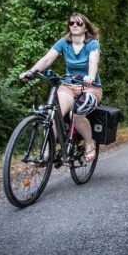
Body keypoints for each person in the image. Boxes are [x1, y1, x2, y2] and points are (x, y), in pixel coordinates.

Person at [20, 12, 103, 162]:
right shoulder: (63, 43)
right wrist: (31, 72)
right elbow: (47, 59)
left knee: (76, 114)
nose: (75, 26)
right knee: (53, 113)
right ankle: (46, 152)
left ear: (85, 27)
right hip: (68, 85)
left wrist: (90, 76)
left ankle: (89, 143)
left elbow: (93, 61)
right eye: (72, 23)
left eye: (79, 23)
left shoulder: (92, 44)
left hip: (89, 87)